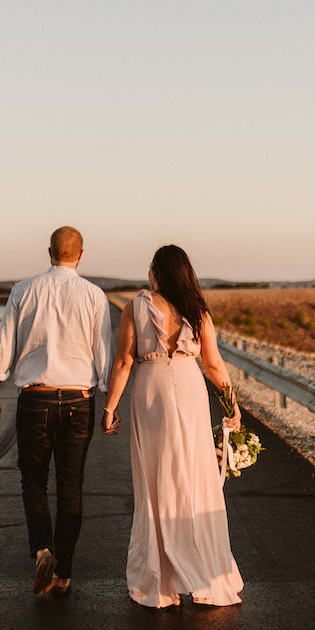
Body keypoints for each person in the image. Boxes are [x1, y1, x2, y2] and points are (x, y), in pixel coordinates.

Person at [102, 244, 245, 608]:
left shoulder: (135, 307)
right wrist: (233, 406)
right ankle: (202, 570)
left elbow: (123, 362)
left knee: (154, 480)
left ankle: (161, 579)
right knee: (194, 477)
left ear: (157, 272)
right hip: (188, 385)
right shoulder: (198, 311)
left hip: (150, 390)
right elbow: (214, 365)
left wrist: (110, 407)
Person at [0, 226, 114, 596]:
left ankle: (43, 548)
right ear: (81, 254)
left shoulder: (23, 291)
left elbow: (4, 348)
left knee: (33, 480)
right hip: (78, 400)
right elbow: (103, 354)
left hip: (35, 399)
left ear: (49, 252)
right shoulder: (94, 295)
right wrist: (110, 405)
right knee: (71, 487)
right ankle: (64, 574)